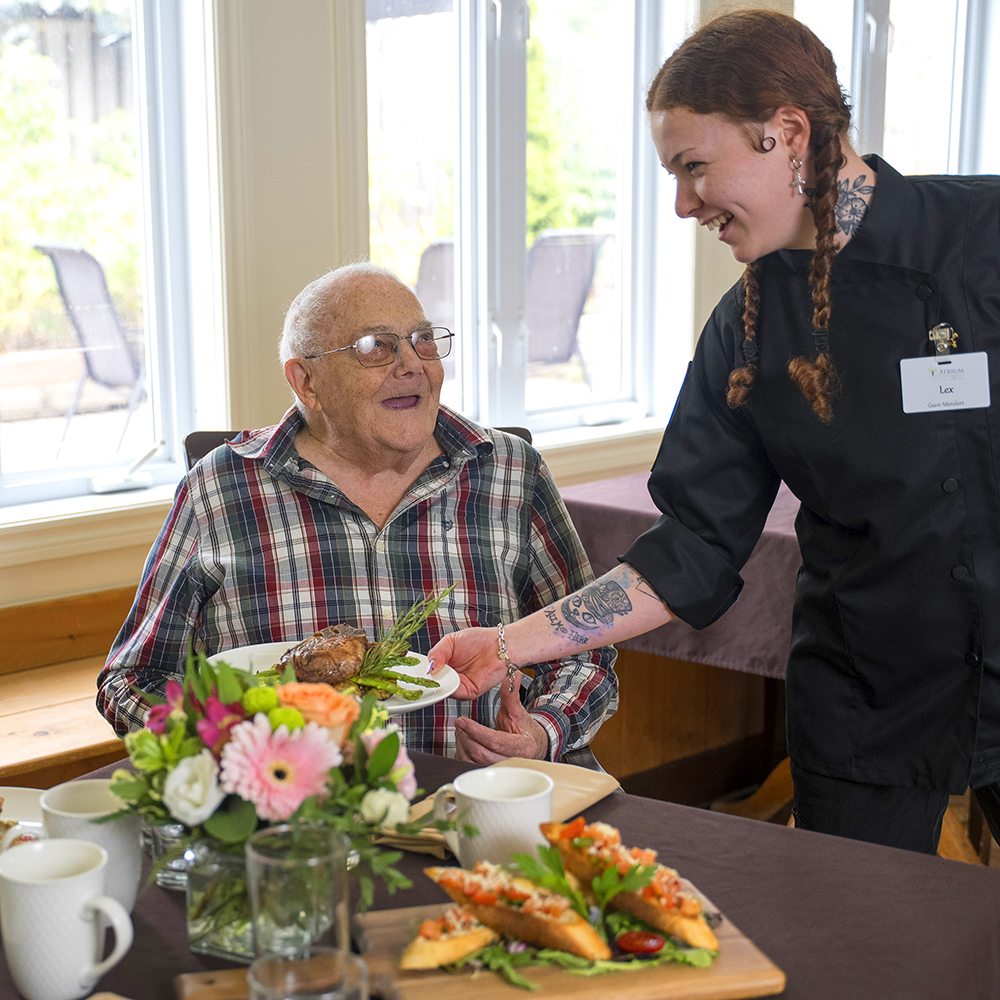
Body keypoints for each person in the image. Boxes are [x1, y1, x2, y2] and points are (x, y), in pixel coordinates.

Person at [428, 9, 1000, 853]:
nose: (682, 203)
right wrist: (507, 644)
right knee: (857, 948)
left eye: (695, 167)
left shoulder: (983, 238)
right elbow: (690, 548)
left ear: (788, 134)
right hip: (867, 695)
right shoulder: (747, 331)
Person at [97, 262, 617, 763]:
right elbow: (133, 679)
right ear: (307, 383)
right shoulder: (221, 488)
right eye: (376, 347)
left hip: (487, 797)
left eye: (423, 340)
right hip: (297, 814)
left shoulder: (508, 471)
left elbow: (584, 648)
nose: (412, 364)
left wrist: (541, 731)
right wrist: (222, 750)